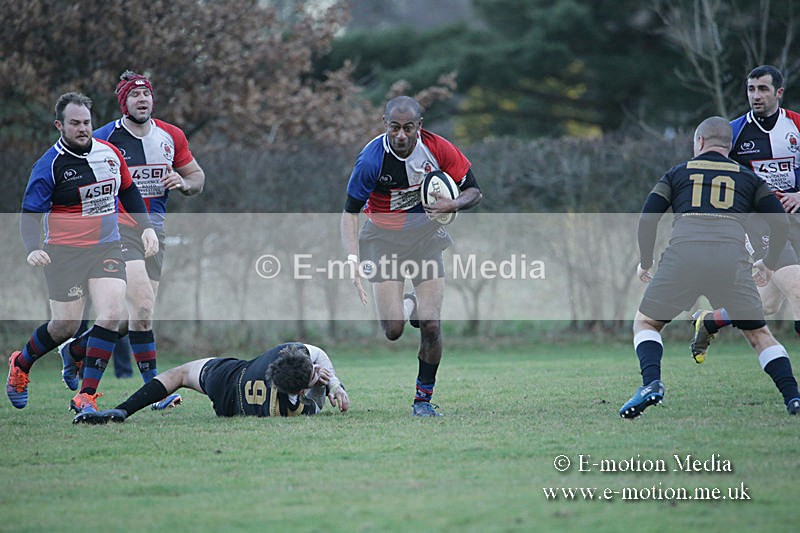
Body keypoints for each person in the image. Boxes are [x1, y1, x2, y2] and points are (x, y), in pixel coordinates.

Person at [620, 116, 800, 419]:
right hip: (731, 260)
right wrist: (769, 264)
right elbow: (779, 221)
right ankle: (793, 398)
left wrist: (646, 261)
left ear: (699, 142)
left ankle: (651, 384)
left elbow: (647, 219)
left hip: (684, 256)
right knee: (759, 335)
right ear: (728, 148)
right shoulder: (749, 178)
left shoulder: (678, 173)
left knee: (646, 323)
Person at [59, 70, 205, 407]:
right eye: (134, 95)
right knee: (141, 305)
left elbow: (197, 178)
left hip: (156, 229)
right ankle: (154, 392)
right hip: (118, 229)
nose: (142, 100)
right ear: (123, 102)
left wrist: (183, 184)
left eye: (146, 94)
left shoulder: (171, 136)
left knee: (140, 315)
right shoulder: (104, 138)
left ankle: (78, 348)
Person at [6, 92, 158, 413]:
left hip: (106, 247)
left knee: (112, 313)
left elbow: (129, 191)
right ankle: (22, 362)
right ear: (59, 125)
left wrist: (144, 227)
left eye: (87, 122)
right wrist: (33, 248)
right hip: (64, 254)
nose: (83, 128)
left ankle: (86, 396)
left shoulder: (110, 153)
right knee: (65, 326)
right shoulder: (50, 166)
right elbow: (30, 214)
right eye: (75, 123)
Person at [340, 96, 482, 417]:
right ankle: (409, 303)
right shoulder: (370, 161)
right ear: (385, 124)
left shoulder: (438, 148)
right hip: (383, 239)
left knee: (431, 325)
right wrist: (352, 261)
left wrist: (453, 204)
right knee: (393, 330)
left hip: (426, 239)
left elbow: (474, 190)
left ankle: (422, 401)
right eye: (394, 128)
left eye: (408, 128)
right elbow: (349, 214)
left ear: (419, 126)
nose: (401, 135)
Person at [704, 65, 800, 351]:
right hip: (761, 223)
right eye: (751, 89)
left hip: (796, 218)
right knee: (798, 289)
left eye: (763, 89)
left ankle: (710, 322)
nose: (755, 95)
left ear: (779, 92)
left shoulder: (796, 125)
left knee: (767, 304)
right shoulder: (733, 132)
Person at [72, 342, 349, 424]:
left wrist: (320, 376)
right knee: (179, 375)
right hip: (232, 407)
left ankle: (122, 410)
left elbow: (316, 353)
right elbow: (315, 398)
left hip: (228, 378)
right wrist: (330, 384)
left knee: (178, 375)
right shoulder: (293, 410)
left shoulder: (282, 354)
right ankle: (122, 411)